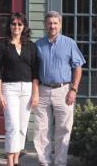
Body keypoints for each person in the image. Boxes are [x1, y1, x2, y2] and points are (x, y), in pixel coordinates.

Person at [33, 11, 86, 166]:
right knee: (42, 131)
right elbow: (34, 70)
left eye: (55, 23)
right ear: (45, 25)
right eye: (49, 23)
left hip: (64, 91)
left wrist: (73, 89)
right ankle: (44, 162)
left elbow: (78, 67)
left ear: (60, 25)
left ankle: (60, 163)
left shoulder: (69, 43)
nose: (52, 26)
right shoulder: (38, 45)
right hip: (43, 90)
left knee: (63, 129)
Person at [0, 12, 39, 166]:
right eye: (14, 24)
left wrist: (35, 93)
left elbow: (35, 72)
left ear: (24, 26)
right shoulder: (2, 45)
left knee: (22, 126)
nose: (17, 27)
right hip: (9, 88)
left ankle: (16, 159)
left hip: (27, 89)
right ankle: (10, 161)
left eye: (20, 24)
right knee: (12, 125)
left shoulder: (31, 46)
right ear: (10, 26)